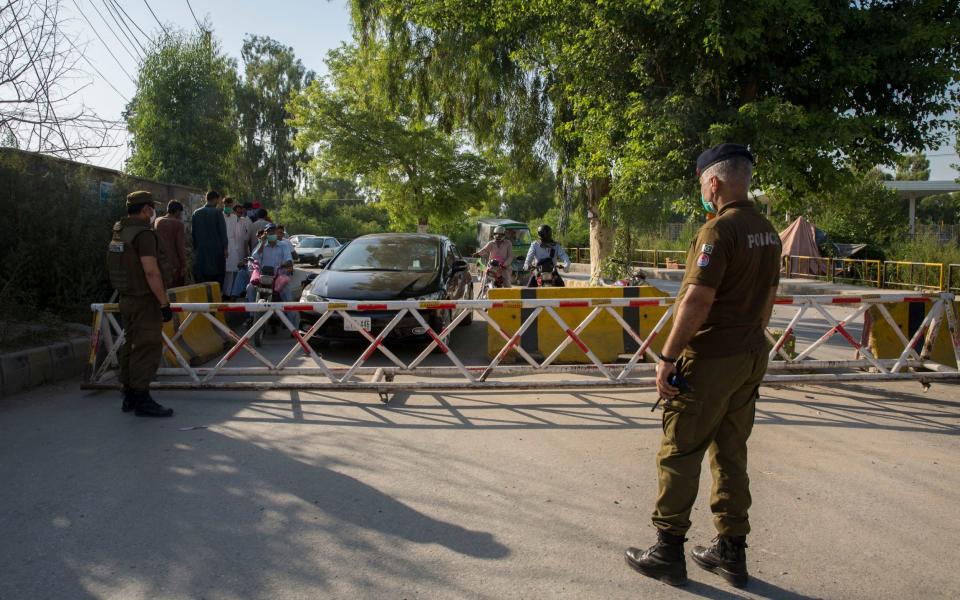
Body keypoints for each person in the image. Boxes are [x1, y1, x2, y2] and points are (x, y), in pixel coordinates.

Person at [624, 144, 781, 588]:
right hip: (751, 355)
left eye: (701, 184)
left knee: (681, 450)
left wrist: (668, 357)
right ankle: (731, 552)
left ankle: (667, 551)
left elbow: (697, 299)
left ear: (712, 182)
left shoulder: (718, 231)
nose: (703, 192)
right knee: (731, 451)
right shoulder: (767, 231)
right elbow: (769, 297)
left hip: (711, 358)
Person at [106, 191, 175, 417]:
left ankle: (129, 395)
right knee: (147, 346)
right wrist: (163, 303)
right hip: (145, 299)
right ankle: (143, 399)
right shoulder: (144, 235)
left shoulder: (120, 231)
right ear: (146, 209)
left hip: (126, 298)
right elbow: (151, 271)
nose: (152, 212)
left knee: (131, 345)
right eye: (151, 208)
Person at [246, 224, 298, 328]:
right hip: (263, 278)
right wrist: (263, 242)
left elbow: (289, 259)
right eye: (269, 232)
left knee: (287, 294)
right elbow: (254, 257)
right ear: (265, 233)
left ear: (276, 233)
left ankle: (293, 326)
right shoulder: (261, 245)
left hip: (279, 278)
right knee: (250, 288)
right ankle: (252, 317)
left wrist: (287, 263)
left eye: (273, 232)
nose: (271, 234)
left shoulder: (284, 245)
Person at [191, 190, 228, 289]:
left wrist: (196, 249)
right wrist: (225, 248)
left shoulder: (196, 213)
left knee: (202, 281)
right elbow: (223, 232)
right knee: (217, 281)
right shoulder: (217, 212)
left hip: (201, 253)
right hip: (216, 252)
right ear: (215, 199)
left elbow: (193, 234)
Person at [153, 200, 187, 287]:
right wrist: (184, 265)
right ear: (178, 211)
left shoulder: (157, 221)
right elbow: (180, 247)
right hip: (174, 264)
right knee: (176, 291)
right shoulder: (178, 224)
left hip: (159, 262)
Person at [222, 197, 242, 300]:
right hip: (222, 244)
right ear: (223, 205)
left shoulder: (235, 218)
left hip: (232, 244)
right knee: (223, 270)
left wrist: (236, 247)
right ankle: (221, 291)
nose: (228, 207)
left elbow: (237, 233)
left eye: (230, 206)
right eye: (226, 206)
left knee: (231, 271)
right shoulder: (220, 216)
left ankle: (228, 293)